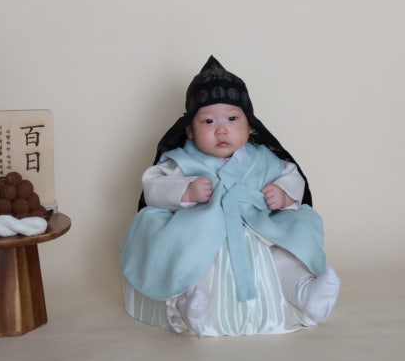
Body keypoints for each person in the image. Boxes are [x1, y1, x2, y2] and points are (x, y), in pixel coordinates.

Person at [119, 56, 340, 337]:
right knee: (192, 256)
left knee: (284, 251)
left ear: (251, 126)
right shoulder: (181, 160)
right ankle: (189, 303)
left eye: (232, 119)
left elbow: (292, 176)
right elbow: (154, 187)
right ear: (190, 130)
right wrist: (185, 190)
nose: (221, 129)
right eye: (208, 121)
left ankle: (304, 291)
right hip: (201, 228)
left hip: (258, 226)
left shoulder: (263, 158)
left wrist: (284, 194)